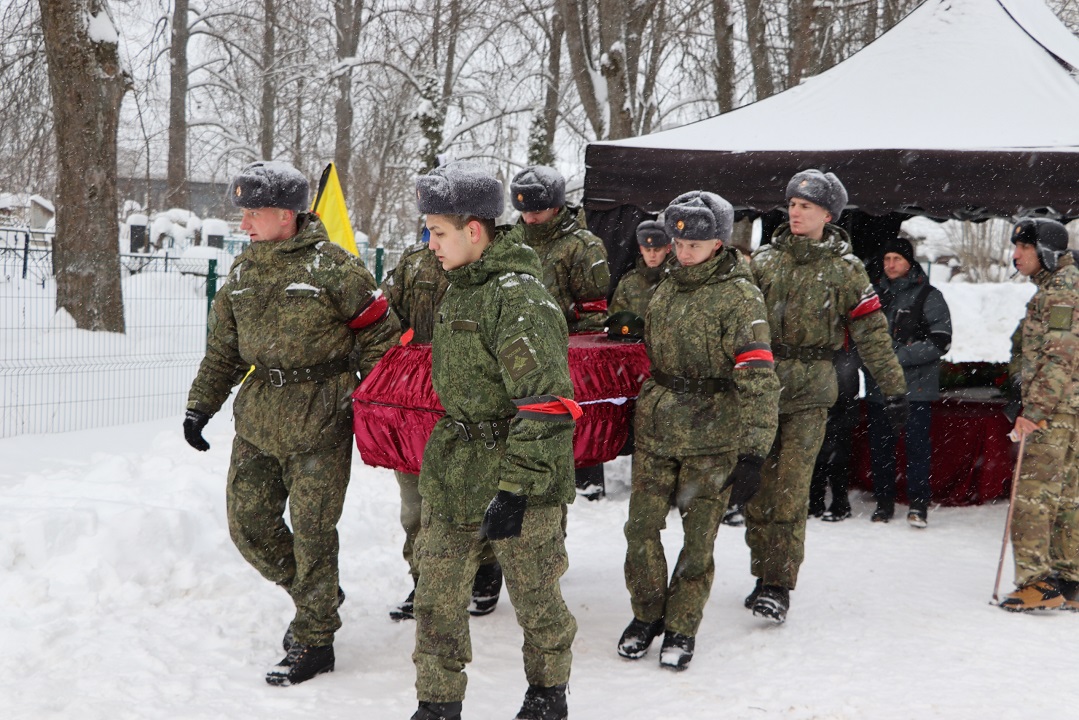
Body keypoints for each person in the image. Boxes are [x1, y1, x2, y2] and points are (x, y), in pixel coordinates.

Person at [183, 160, 398, 686]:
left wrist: (370, 404)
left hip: (322, 416)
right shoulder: (243, 271)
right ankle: (314, 592)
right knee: (249, 527)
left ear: (286, 214)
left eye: (253, 213)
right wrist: (200, 406)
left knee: (313, 533)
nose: (244, 224)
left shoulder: (336, 268)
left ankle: (315, 637)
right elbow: (223, 352)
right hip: (258, 418)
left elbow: (382, 340)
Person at [410, 162, 578, 720]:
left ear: (474, 230)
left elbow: (547, 405)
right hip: (456, 468)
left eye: (438, 231)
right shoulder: (460, 287)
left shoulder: (517, 296)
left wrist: (515, 490)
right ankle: (437, 704)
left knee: (535, 597)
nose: (430, 243)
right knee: (435, 597)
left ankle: (548, 694)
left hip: (517, 474)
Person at [617, 191, 779, 672]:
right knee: (640, 530)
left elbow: (759, 376)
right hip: (658, 429)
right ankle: (647, 615)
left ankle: (683, 625)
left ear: (718, 242)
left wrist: (753, 452)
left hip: (713, 435)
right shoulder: (663, 287)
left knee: (698, 539)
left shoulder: (740, 295)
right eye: (679, 242)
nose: (683, 252)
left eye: (696, 244)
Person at [745, 169, 907, 624]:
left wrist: (894, 390)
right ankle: (762, 573)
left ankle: (778, 583)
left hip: (812, 391)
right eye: (792, 205)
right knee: (758, 491)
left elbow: (873, 334)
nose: (795, 213)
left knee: (792, 491)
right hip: (761, 390)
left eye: (806, 207)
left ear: (828, 215)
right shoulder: (763, 263)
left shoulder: (846, 271)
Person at [380, 234, 503, 622]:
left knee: (473, 499)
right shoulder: (414, 264)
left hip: (473, 406)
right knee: (415, 505)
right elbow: (383, 319)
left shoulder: (497, 272)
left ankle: (484, 568)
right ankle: (424, 581)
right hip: (417, 404)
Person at [506, 166, 611, 500]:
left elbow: (594, 315)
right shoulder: (509, 242)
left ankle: (586, 481)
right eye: (524, 210)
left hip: (567, 356)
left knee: (571, 426)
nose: (529, 218)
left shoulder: (583, 247)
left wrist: (572, 357)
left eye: (536, 211)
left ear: (556, 206)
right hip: (516, 352)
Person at [998, 217, 1079, 613]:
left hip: (1056, 410)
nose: (1016, 256)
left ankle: (1037, 582)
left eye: (1024, 249)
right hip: (1071, 409)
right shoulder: (1062, 287)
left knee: (1033, 496)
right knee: (1067, 497)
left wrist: (1034, 411)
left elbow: (1058, 357)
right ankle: (1070, 579)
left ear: (1044, 251)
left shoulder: (1060, 292)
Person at [864, 236, 952, 527]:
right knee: (881, 449)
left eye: (897, 259)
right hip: (881, 389)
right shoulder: (873, 294)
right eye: (887, 259)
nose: (890, 265)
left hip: (917, 389)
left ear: (909, 262)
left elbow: (941, 341)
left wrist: (899, 355)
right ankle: (884, 503)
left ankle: (918, 505)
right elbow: (860, 336)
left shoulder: (929, 295)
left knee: (917, 449)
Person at [807, 345, 861, 521]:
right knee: (816, 446)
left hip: (843, 386)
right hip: (821, 380)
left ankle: (840, 501)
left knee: (839, 449)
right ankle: (815, 500)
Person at [608, 218, 671, 319]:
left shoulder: (678, 279)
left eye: (657, 250)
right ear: (641, 249)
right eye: (647, 250)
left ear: (668, 249)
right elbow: (616, 318)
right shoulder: (629, 282)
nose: (652, 255)